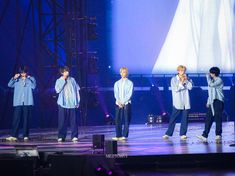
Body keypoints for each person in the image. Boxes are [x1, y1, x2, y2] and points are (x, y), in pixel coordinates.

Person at [6, 66, 36, 141]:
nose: (23, 74)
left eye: (24, 72)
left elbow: (34, 86)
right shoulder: (17, 80)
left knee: (26, 119)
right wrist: (14, 78)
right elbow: (9, 85)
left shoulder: (31, 79)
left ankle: (26, 135)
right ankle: (14, 135)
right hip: (18, 102)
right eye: (22, 73)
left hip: (27, 102)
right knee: (16, 119)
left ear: (27, 72)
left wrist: (28, 79)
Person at [163, 65, 193, 140]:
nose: (183, 72)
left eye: (184, 71)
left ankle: (183, 134)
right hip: (177, 101)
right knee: (173, 118)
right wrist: (182, 82)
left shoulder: (187, 78)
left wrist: (186, 80)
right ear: (178, 71)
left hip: (186, 102)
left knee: (185, 119)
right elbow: (176, 89)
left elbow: (190, 87)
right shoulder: (174, 79)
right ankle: (168, 133)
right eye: (181, 71)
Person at [197, 67, 224, 142]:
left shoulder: (219, 80)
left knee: (218, 118)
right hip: (212, 101)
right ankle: (204, 135)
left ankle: (218, 135)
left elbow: (211, 85)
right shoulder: (211, 80)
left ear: (214, 73)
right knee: (208, 119)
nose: (209, 74)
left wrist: (207, 77)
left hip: (218, 101)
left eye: (210, 73)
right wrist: (208, 102)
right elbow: (210, 93)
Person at [55, 66, 80, 142]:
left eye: (68, 71)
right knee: (62, 121)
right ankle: (61, 136)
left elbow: (77, 90)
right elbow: (57, 90)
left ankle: (74, 136)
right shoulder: (59, 80)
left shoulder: (72, 80)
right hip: (63, 103)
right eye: (65, 71)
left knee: (74, 121)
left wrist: (78, 101)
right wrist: (63, 80)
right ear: (62, 72)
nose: (67, 72)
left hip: (72, 103)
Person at [112, 67, 133, 141]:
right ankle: (118, 135)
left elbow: (129, 94)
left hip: (126, 103)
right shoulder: (117, 83)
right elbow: (116, 93)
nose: (123, 73)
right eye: (122, 72)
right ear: (120, 73)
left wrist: (123, 102)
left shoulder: (130, 83)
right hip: (118, 103)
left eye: (125, 72)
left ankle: (125, 135)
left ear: (126, 73)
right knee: (117, 119)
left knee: (126, 119)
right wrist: (119, 101)